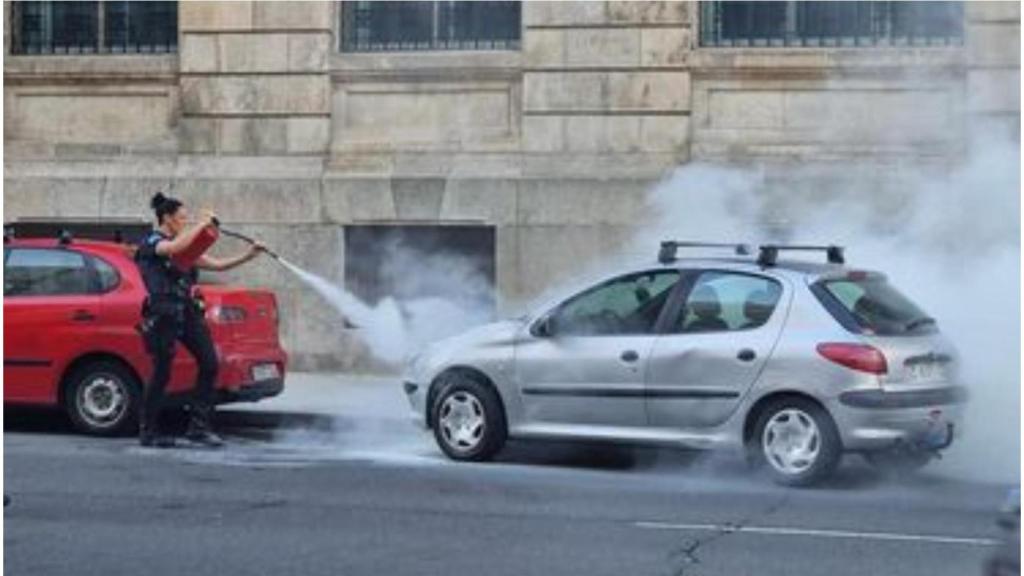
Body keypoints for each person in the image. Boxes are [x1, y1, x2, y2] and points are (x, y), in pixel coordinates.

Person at [136, 192, 264, 448]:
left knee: (209, 362)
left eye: (187, 219)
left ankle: (198, 428)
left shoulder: (185, 247)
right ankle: (148, 431)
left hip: (186, 309)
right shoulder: (153, 242)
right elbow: (173, 248)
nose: (186, 222)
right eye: (182, 218)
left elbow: (217, 265)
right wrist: (201, 224)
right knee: (162, 372)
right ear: (167, 218)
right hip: (163, 312)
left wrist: (248, 255)